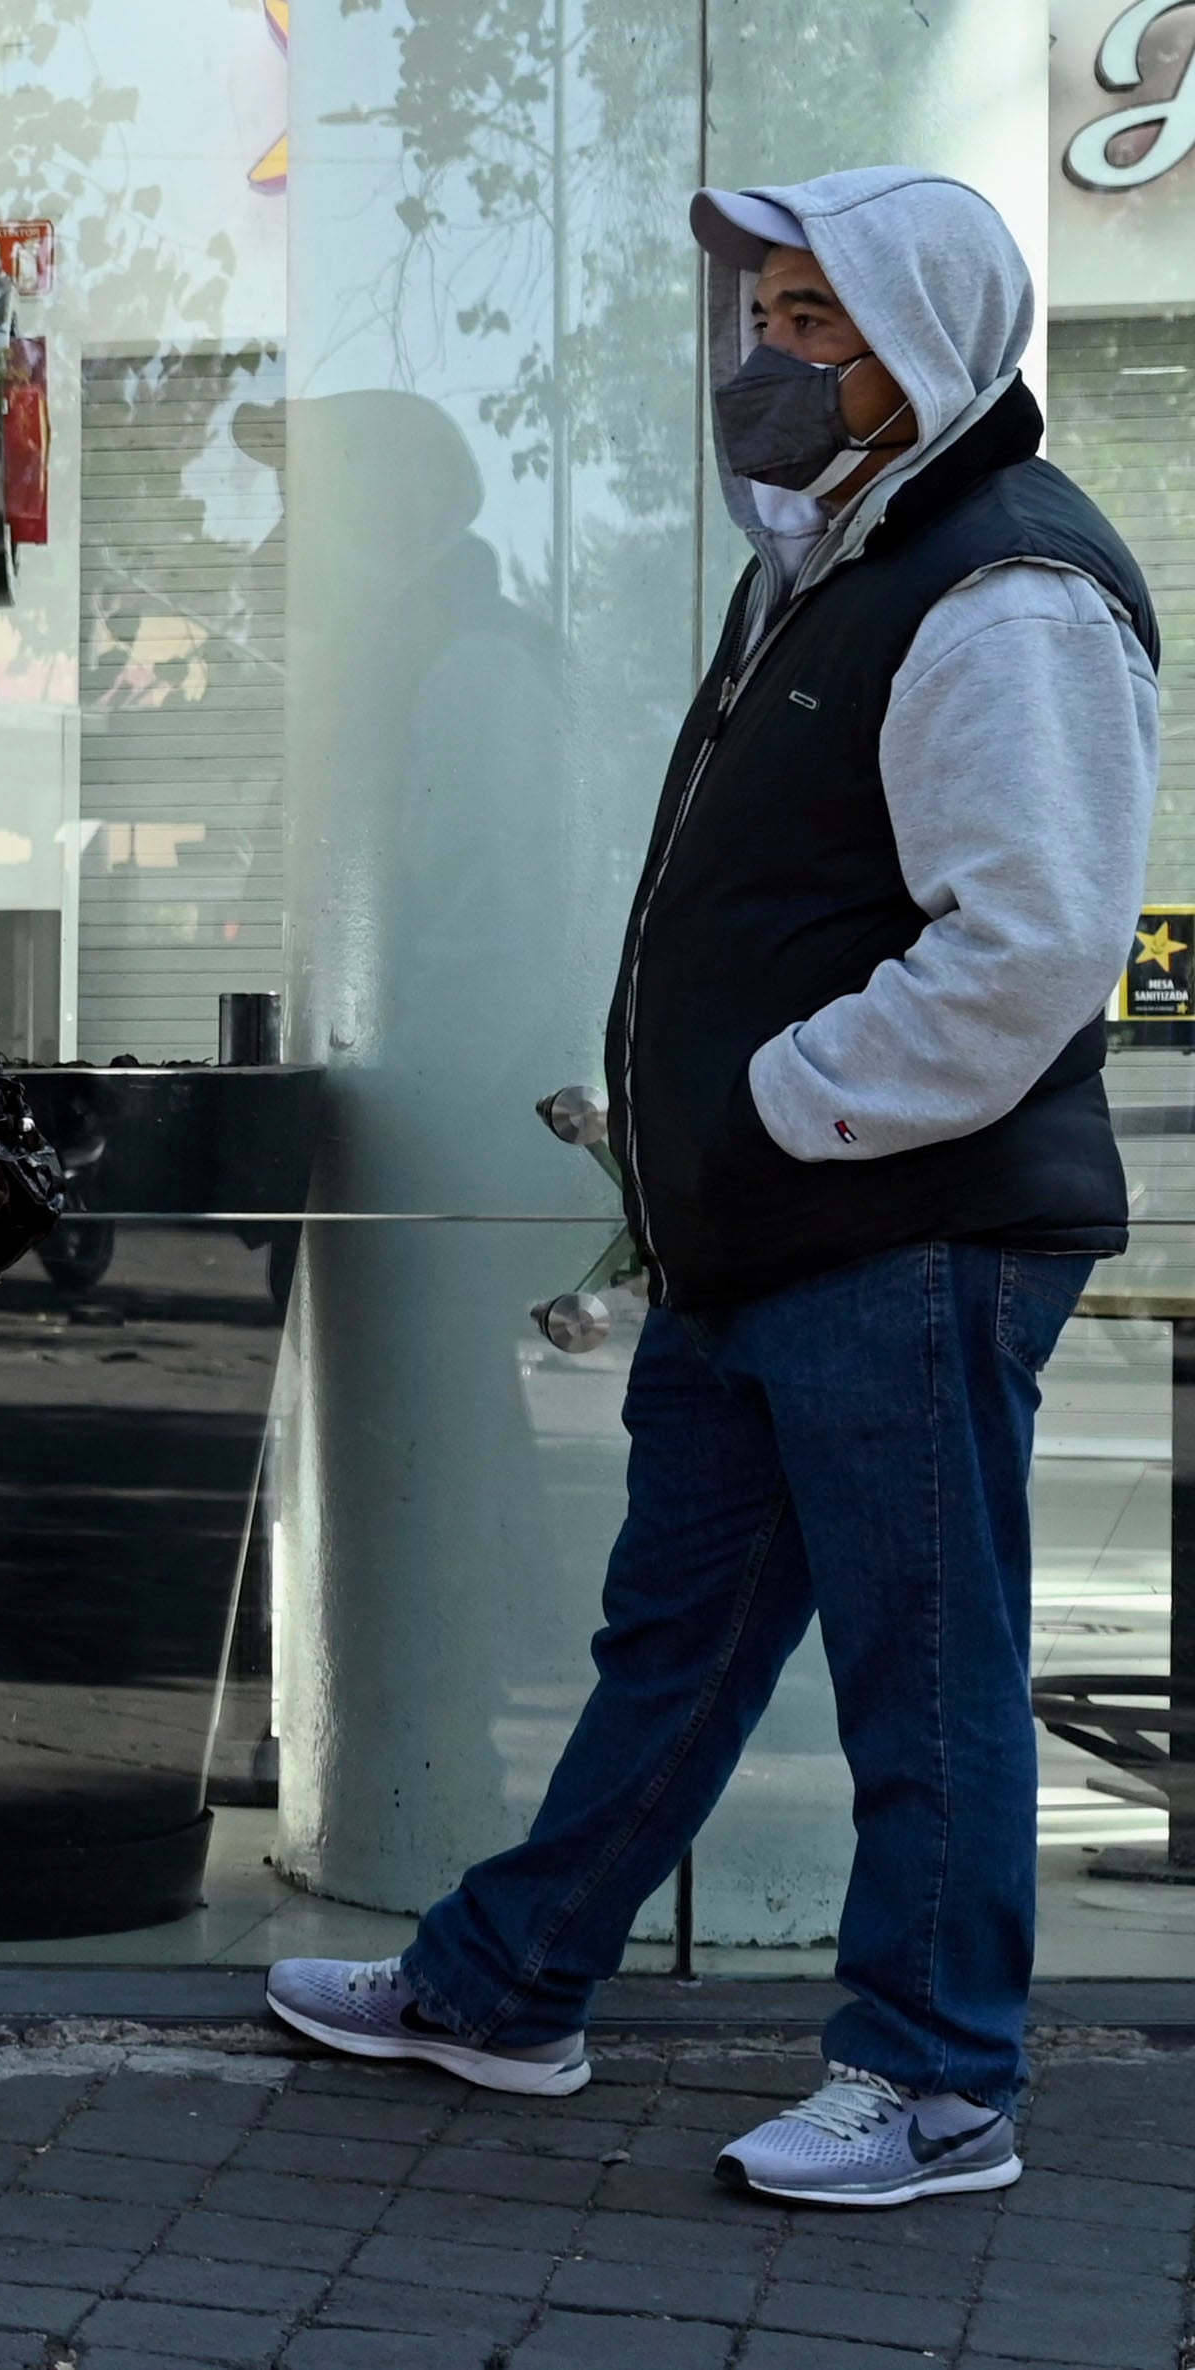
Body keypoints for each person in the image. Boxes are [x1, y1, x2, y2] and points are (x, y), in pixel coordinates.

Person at [270, 169, 1163, 2210]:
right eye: (758, 317)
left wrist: (773, 1102)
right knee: (674, 1651)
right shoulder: (841, 565)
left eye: (812, 326)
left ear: (922, 346)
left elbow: (1026, 944)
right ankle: (507, 1986)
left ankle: (935, 2083)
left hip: (899, 1241)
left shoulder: (1000, 586)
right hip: (775, 1240)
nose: (764, 362)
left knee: (922, 1675)